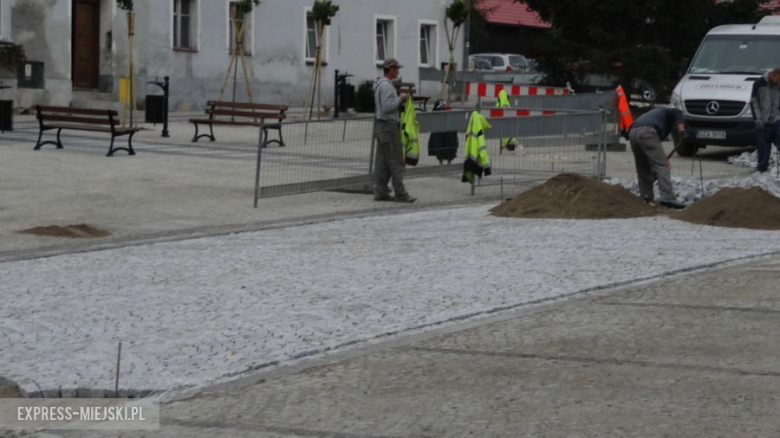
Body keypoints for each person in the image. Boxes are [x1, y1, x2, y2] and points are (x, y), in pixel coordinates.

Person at [372, 58, 416, 203]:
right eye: (397, 69)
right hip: (388, 126)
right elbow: (386, 107)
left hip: (381, 126)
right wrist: (400, 99)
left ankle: (381, 191)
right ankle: (401, 193)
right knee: (396, 160)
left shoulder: (381, 84)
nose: (398, 71)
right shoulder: (385, 86)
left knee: (383, 161)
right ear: (391, 69)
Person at [628, 107, 686, 209]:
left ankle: (646, 198)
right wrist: (681, 130)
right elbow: (678, 112)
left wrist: (662, 158)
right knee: (662, 166)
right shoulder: (669, 111)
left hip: (633, 133)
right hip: (647, 132)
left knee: (643, 168)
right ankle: (668, 197)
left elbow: (654, 152)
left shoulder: (656, 116)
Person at [750, 68, 780, 173]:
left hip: (776, 119)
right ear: (773, 75)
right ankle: (762, 168)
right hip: (763, 119)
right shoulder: (759, 84)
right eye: (778, 80)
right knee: (763, 145)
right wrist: (758, 120)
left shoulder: (778, 84)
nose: (778, 83)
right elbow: (754, 103)